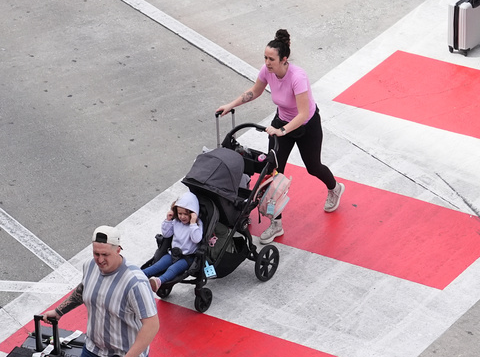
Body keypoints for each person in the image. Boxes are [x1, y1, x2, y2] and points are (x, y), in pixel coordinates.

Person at [215, 29, 344, 245]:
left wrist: (282, 131)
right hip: (281, 124)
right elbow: (254, 91)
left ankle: (335, 188)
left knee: (313, 166)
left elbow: (303, 114)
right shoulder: (267, 71)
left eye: (271, 59)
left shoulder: (298, 77)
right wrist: (230, 105)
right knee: (273, 173)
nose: (267, 63)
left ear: (284, 60)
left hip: (306, 126)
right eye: (265, 58)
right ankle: (276, 223)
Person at [44, 226, 159, 357]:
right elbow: (83, 290)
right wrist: (59, 311)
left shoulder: (135, 282)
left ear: (118, 250)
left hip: (125, 355)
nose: (100, 260)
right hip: (94, 352)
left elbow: (152, 324)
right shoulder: (90, 266)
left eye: (105, 254)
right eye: (96, 253)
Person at [144, 191, 203, 292]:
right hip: (173, 253)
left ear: (193, 214)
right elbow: (167, 234)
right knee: (158, 265)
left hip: (187, 258)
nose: (182, 217)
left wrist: (193, 223)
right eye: (180, 213)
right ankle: (139, 274)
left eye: (186, 214)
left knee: (173, 269)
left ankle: (159, 281)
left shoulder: (197, 224)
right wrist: (168, 220)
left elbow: (196, 239)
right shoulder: (176, 222)